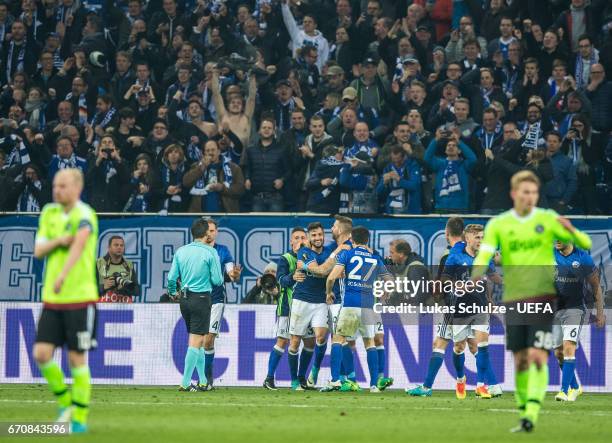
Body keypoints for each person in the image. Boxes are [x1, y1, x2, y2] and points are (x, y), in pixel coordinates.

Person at [472, 170, 592, 433]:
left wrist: (572, 230)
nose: (530, 197)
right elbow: (494, 255)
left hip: (557, 304)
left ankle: (545, 404)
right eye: (525, 192)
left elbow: (587, 251)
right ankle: (539, 401)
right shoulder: (502, 225)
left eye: (534, 192)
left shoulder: (554, 227)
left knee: (543, 355)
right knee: (528, 358)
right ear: (514, 194)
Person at [32, 169, 98, 434]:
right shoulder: (49, 212)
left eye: (62, 186)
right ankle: (64, 401)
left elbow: (79, 245)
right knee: (41, 353)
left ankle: (79, 418)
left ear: (76, 189)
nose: (57, 190)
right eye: (55, 185)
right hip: (52, 299)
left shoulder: (85, 215)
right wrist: (59, 239)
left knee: (76, 359)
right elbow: (38, 250)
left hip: (80, 298)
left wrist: (62, 275)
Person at [321, 226, 393, 393]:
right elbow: (389, 279)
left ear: (352, 239)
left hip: (350, 304)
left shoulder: (347, 254)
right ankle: (374, 385)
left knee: (338, 339)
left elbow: (331, 277)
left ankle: (335, 381)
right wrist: (385, 293)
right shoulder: (375, 258)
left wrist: (329, 292)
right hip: (368, 306)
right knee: (370, 343)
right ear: (368, 240)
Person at [167, 218, 224, 392]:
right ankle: (185, 383)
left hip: (184, 299)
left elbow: (171, 278)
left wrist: (173, 292)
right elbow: (217, 280)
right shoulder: (210, 252)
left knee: (197, 339)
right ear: (207, 233)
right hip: (201, 298)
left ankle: (203, 381)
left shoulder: (181, 251)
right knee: (195, 341)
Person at [263, 227, 315, 390]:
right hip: (287, 306)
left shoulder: (311, 257)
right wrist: (293, 275)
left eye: (302, 237)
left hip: (307, 306)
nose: (299, 240)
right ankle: (269, 378)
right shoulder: (285, 259)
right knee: (283, 341)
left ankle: (301, 378)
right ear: (291, 241)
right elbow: (281, 281)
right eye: (296, 237)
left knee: (310, 342)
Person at [553, 240, 605, 401]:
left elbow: (596, 287)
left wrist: (600, 313)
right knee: (558, 353)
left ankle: (564, 391)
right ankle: (576, 387)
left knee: (569, 346)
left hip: (575, 309)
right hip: (555, 310)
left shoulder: (583, 258)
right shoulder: (549, 253)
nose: (556, 240)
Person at [201, 218, 242, 388]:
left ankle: (206, 379)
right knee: (198, 340)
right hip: (197, 299)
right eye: (207, 231)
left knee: (208, 340)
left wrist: (234, 275)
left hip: (216, 299)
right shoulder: (195, 251)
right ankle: (200, 379)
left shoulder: (223, 251)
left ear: (216, 232)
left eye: (212, 230)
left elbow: (230, 273)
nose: (209, 234)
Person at [96, 235, 139, 303]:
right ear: (109, 248)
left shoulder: (129, 265)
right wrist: (103, 287)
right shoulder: (98, 264)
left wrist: (124, 287)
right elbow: (88, 290)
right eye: (116, 245)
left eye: (121, 245)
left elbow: (137, 291)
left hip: (125, 308)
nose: (119, 247)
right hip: (103, 308)